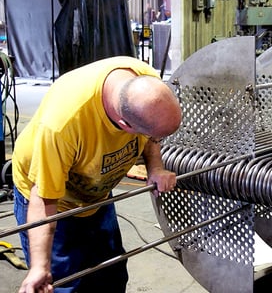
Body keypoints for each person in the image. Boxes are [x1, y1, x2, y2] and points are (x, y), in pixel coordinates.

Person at [12, 56, 182, 293]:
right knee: (67, 285)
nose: (158, 141)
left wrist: (156, 168)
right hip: (56, 204)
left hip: (96, 192)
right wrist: (41, 265)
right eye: (156, 137)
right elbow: (44, 199)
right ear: (124, 125)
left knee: (111, 275)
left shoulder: (146, 83)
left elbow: (151, 132)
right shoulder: (63, 125)